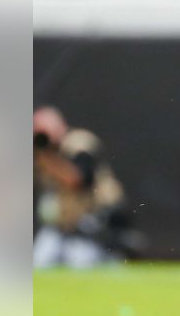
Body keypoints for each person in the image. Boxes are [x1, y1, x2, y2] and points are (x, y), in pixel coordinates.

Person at [33, 107, 130, 268]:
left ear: (59, 126)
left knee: (82, 263)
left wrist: (46, 157)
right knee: (38, 262)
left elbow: (78, 179)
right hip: (60, 225)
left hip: (94, 222)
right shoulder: (40, 153)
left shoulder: (78, 141)